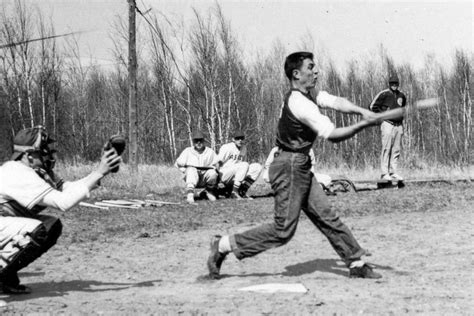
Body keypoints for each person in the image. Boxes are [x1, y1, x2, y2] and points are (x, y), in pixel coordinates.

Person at [207, 51, 383, 280]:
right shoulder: (299, 103)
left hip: (299, 164)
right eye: (311, 67)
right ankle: (222, 245)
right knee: (283, 231)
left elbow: (334, 101)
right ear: (297, 74)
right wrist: (363, 125)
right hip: (288, 166)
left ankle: (356, 262)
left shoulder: (309, 94)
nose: (316, 71)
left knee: (326, 215)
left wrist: (361, 111)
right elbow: (333, 134)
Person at [0, 126, 121, 294]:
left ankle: (5, 277)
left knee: (52, 226)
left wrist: (99, 172)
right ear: (28, 155)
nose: (48, 154)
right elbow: (64, 202)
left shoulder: (37, 171)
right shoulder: (17, 172)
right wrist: (99, 172)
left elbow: (67, 189)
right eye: (42, 150)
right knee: (38, 230)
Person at [369, 74, 407, 181]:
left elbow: (403, 107)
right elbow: (372, 106)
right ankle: (384, 173)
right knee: (386, 148)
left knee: (396, 149)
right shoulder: (384, 94)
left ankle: (393, 172)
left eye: (396, 83)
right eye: (392, 84)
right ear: (389, 84)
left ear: (398, 84)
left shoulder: (402, 96)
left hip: (398, 125)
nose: (394, 85)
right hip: (387, 124)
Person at [175, 131, 219, 204]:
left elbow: (217, 164)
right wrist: (185, 171)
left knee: (212, 173)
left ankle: (208, 191)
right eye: (196, 141)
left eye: (200, 140)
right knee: (191, 170)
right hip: (192, 177)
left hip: (205, 177)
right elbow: (178, 163)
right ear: (193, 142)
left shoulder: (210, 152)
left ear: (204, 141)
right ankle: (190, 195)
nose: (198, 143)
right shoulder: (188, 151)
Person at [216, 131, 262, 199]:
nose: (240, 140)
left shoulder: (244, 148)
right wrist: (218, 181)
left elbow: (244, 166)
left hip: (237, 174)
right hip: (224, 174)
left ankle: (242, 191)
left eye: (242, 138)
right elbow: (218, 163)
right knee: (244, 164)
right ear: (233, 139)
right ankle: (234, 192)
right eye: (237, 138)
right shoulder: (227, 147)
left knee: (257, 167)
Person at [262, 146, 332, 189]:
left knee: (327, 178)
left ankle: (316, 188)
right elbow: (267, 165)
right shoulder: (277, 149)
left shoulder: (308, 150)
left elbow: (311, 168)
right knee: (266, 175)